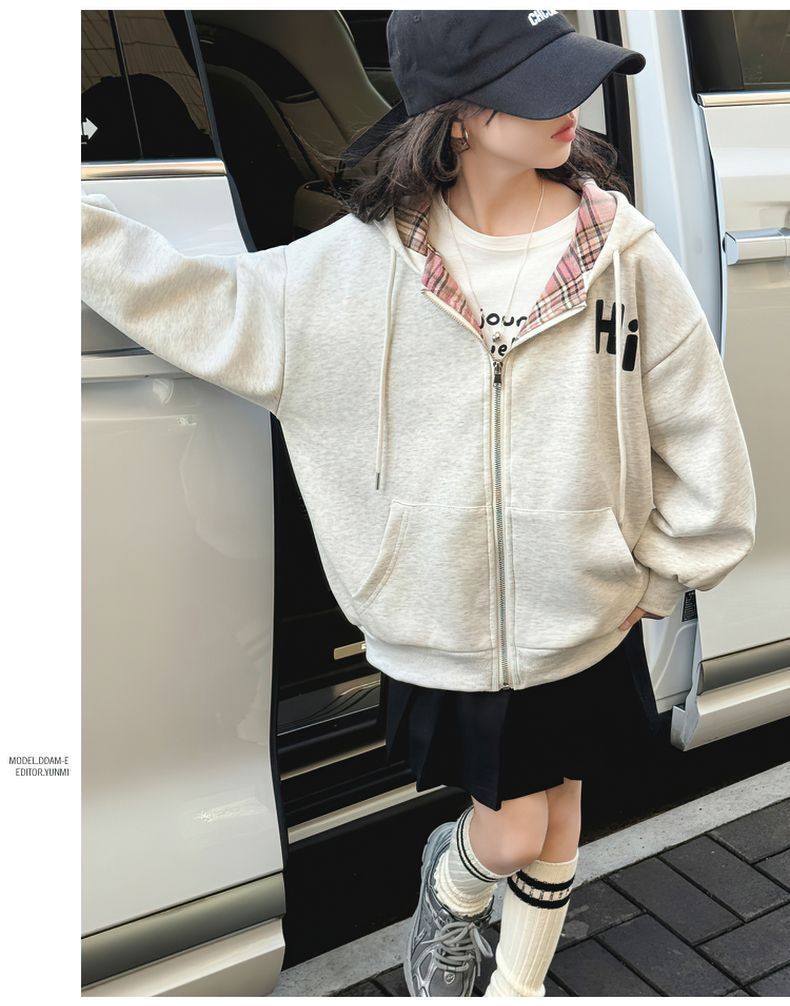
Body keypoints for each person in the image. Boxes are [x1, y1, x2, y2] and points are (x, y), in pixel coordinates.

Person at [81, 11, 757, 997]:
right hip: (451, 628)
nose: (572, 104)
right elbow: (205, 303)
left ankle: (515, 987)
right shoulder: (358, 267)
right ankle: (453, 878)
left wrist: (660, 572)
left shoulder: (621, 252)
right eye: (537, 86)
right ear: (459, 117)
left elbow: (698, 425)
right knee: (514, 829)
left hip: (587, 612)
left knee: (561, 817)